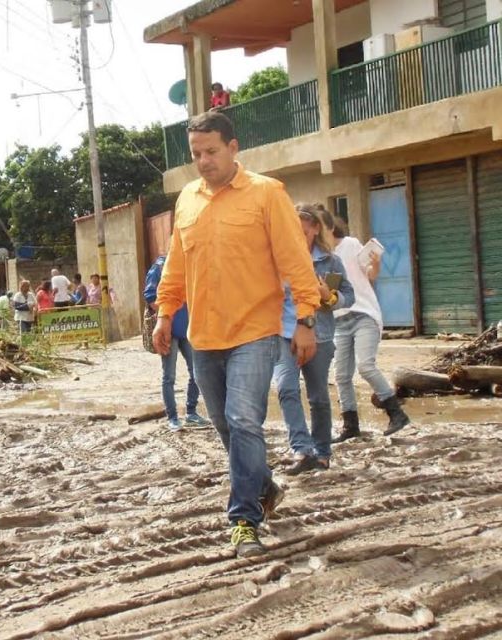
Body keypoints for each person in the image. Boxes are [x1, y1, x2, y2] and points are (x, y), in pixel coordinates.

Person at [152, 111, 321, 558]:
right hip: (204, 334)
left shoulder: (267, 194)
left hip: (255, 329)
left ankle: (244, 520)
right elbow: (177, 264)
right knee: (226, 425)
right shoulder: (187, 199)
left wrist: (305, 320)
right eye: (196, 154)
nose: (203, 161)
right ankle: (265, 485)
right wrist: (164, 313)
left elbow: (294, 260)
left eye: (211, 151)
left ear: (233, 147)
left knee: (245, 420)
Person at [274, 204, 355, 475]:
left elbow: (348, 296)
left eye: (303, 231)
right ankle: (301, 449)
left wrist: (327, 296)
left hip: (319, 335)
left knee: (318, 396)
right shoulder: (276, 260)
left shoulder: (331, 262)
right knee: (286, 388)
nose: (297, 237)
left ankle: (322, 452)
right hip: (283, 333)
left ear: (315, 229)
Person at [332, 217, 410, 440]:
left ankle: (396, 413)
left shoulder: (350, 244)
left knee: (366, 366)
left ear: (326, 227)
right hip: (338, 320)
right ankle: (350, 426)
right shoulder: (317, 255)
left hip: (363, 314)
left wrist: (375, 263)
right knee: (341, 376)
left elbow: (371, 274)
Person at [144, 254, 211, 432]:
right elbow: (151, 297)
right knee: (169, 376)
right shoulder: (159, 267)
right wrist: (165, 318)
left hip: (188, 329)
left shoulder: (190, 264)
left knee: (197, 373)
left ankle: (191, 412)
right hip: (169, 332)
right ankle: (172, 418)